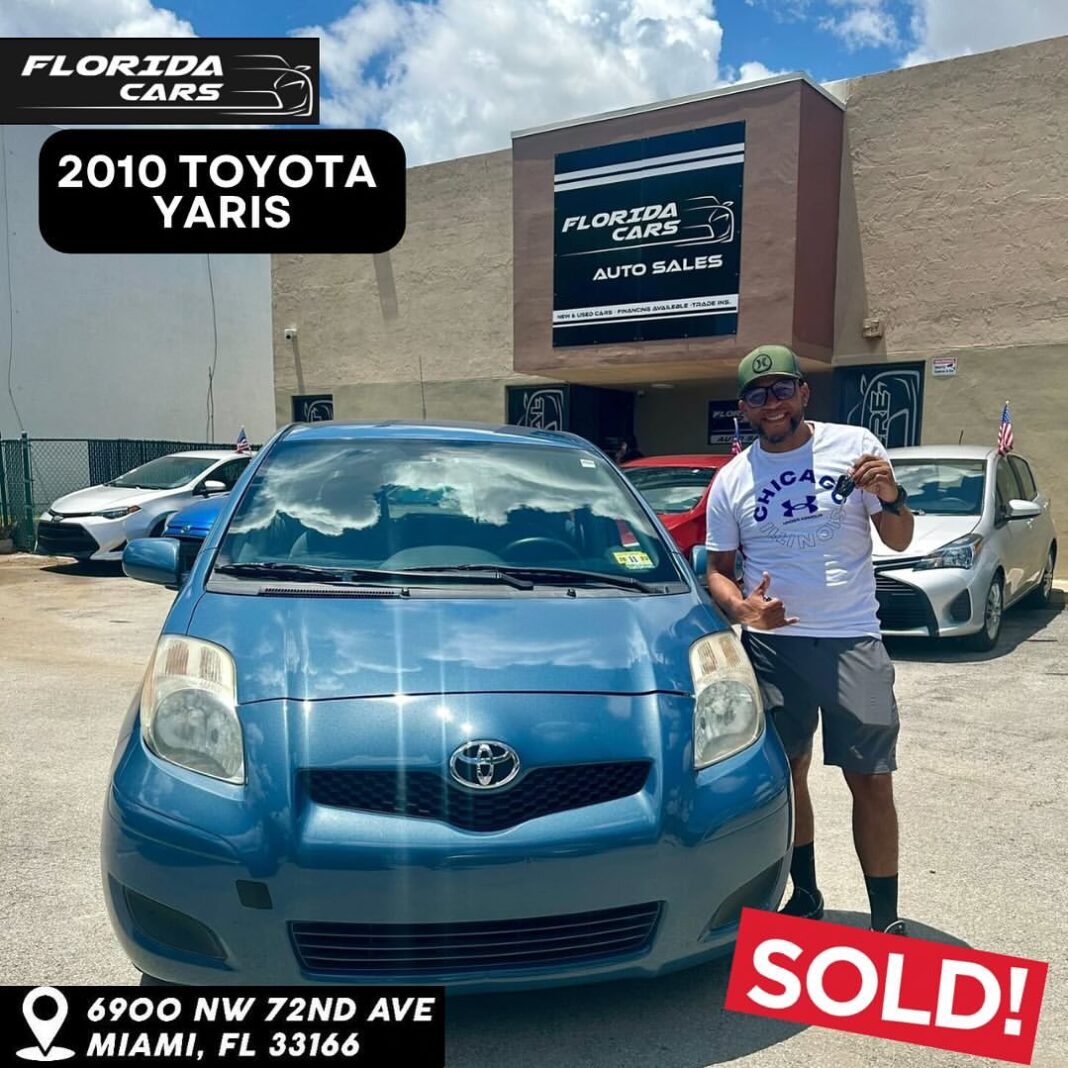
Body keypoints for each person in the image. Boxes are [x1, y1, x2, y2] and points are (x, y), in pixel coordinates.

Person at [703, 344, 914, 935]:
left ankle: (885, 921)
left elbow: (898, 538)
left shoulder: (855, 445)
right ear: (744, 407)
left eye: (781, 390)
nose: (771, 404)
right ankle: (806, 894)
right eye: (757, 395)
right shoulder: (732, 479)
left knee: (870, 778)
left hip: (853, 639)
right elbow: (718, 570)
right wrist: (742, 609)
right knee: (789, 772)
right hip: (776, 648)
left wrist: (892, 496)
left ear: (803, 392)